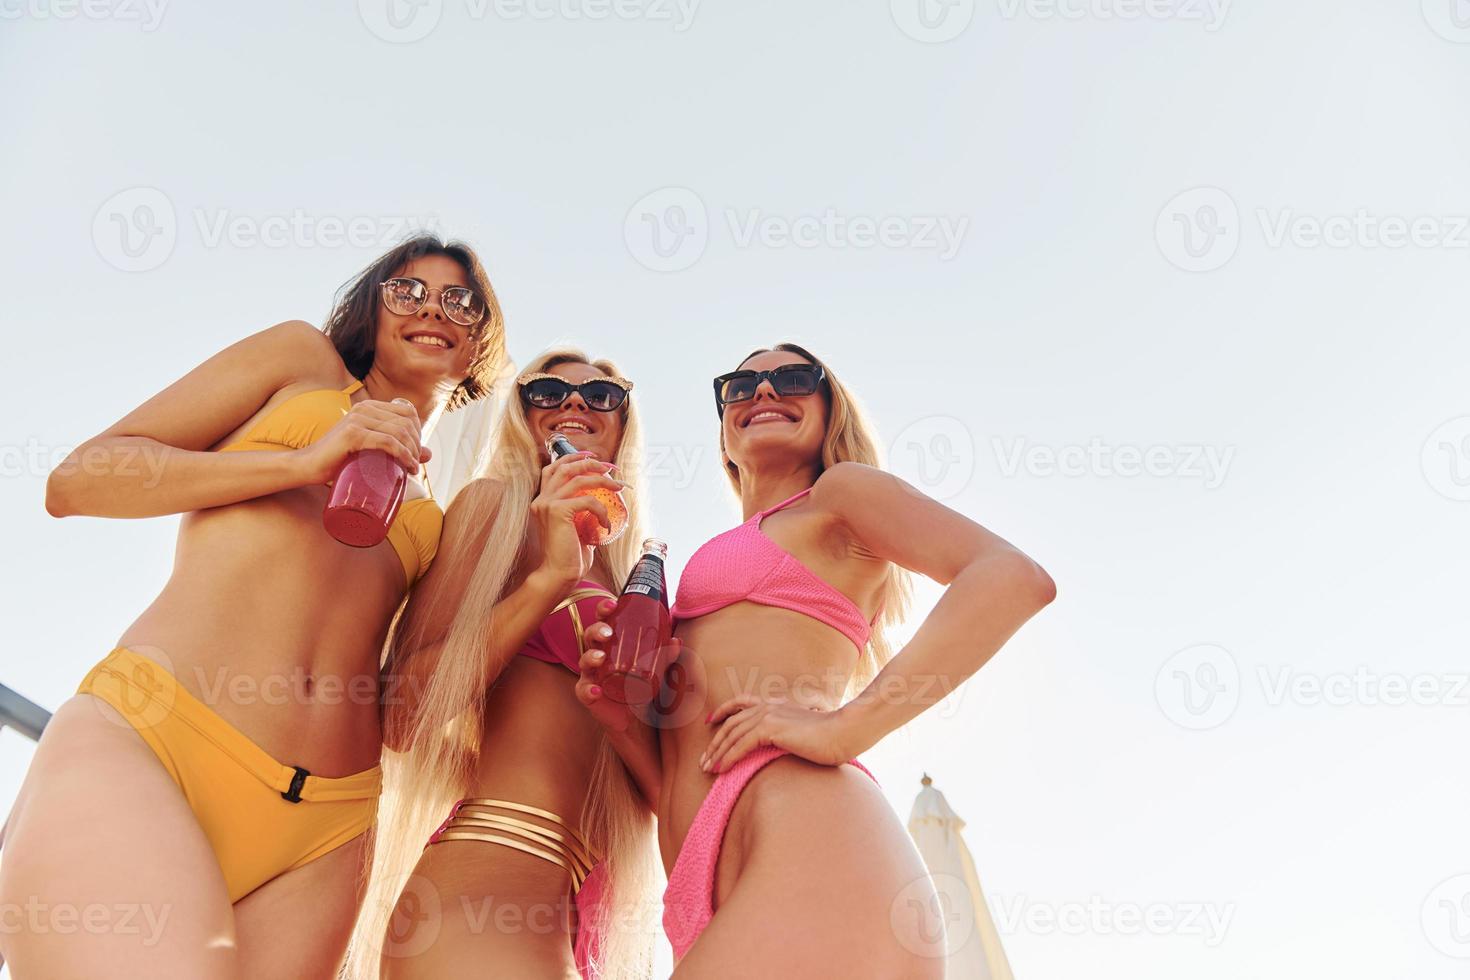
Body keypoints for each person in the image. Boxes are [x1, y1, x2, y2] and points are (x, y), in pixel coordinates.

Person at [0, 235, 506, 979]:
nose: (433, 307)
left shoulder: (438, 515)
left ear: (478, 345)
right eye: (408, 290)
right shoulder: (301, 366)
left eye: (460, 300)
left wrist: (548, 573)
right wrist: (303, 461)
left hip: (326, 828)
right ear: (371, 309)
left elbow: (408, 706)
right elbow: (77, 481)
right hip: (157, 739)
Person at [579, 342, 1056, 976]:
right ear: (724, 436)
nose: (765, 392)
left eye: (793, 378)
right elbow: (677, 778)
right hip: (704, 874)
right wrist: (619, 718)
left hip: (804, 831)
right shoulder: (724, 544)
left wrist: (843, 728)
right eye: (741, 386)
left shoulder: (839, 492)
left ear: (830, 412)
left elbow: (1011, 577)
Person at [349, 350, 660, 980]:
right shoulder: (493, 510)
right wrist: (548, 580)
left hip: (580, 908)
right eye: (547, 391)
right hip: (487, 878)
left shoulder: (634, 577)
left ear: (624, 424)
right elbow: (404, 715)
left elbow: (658, 790)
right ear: (522, 416)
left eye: (600, 393)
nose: (573, 403)